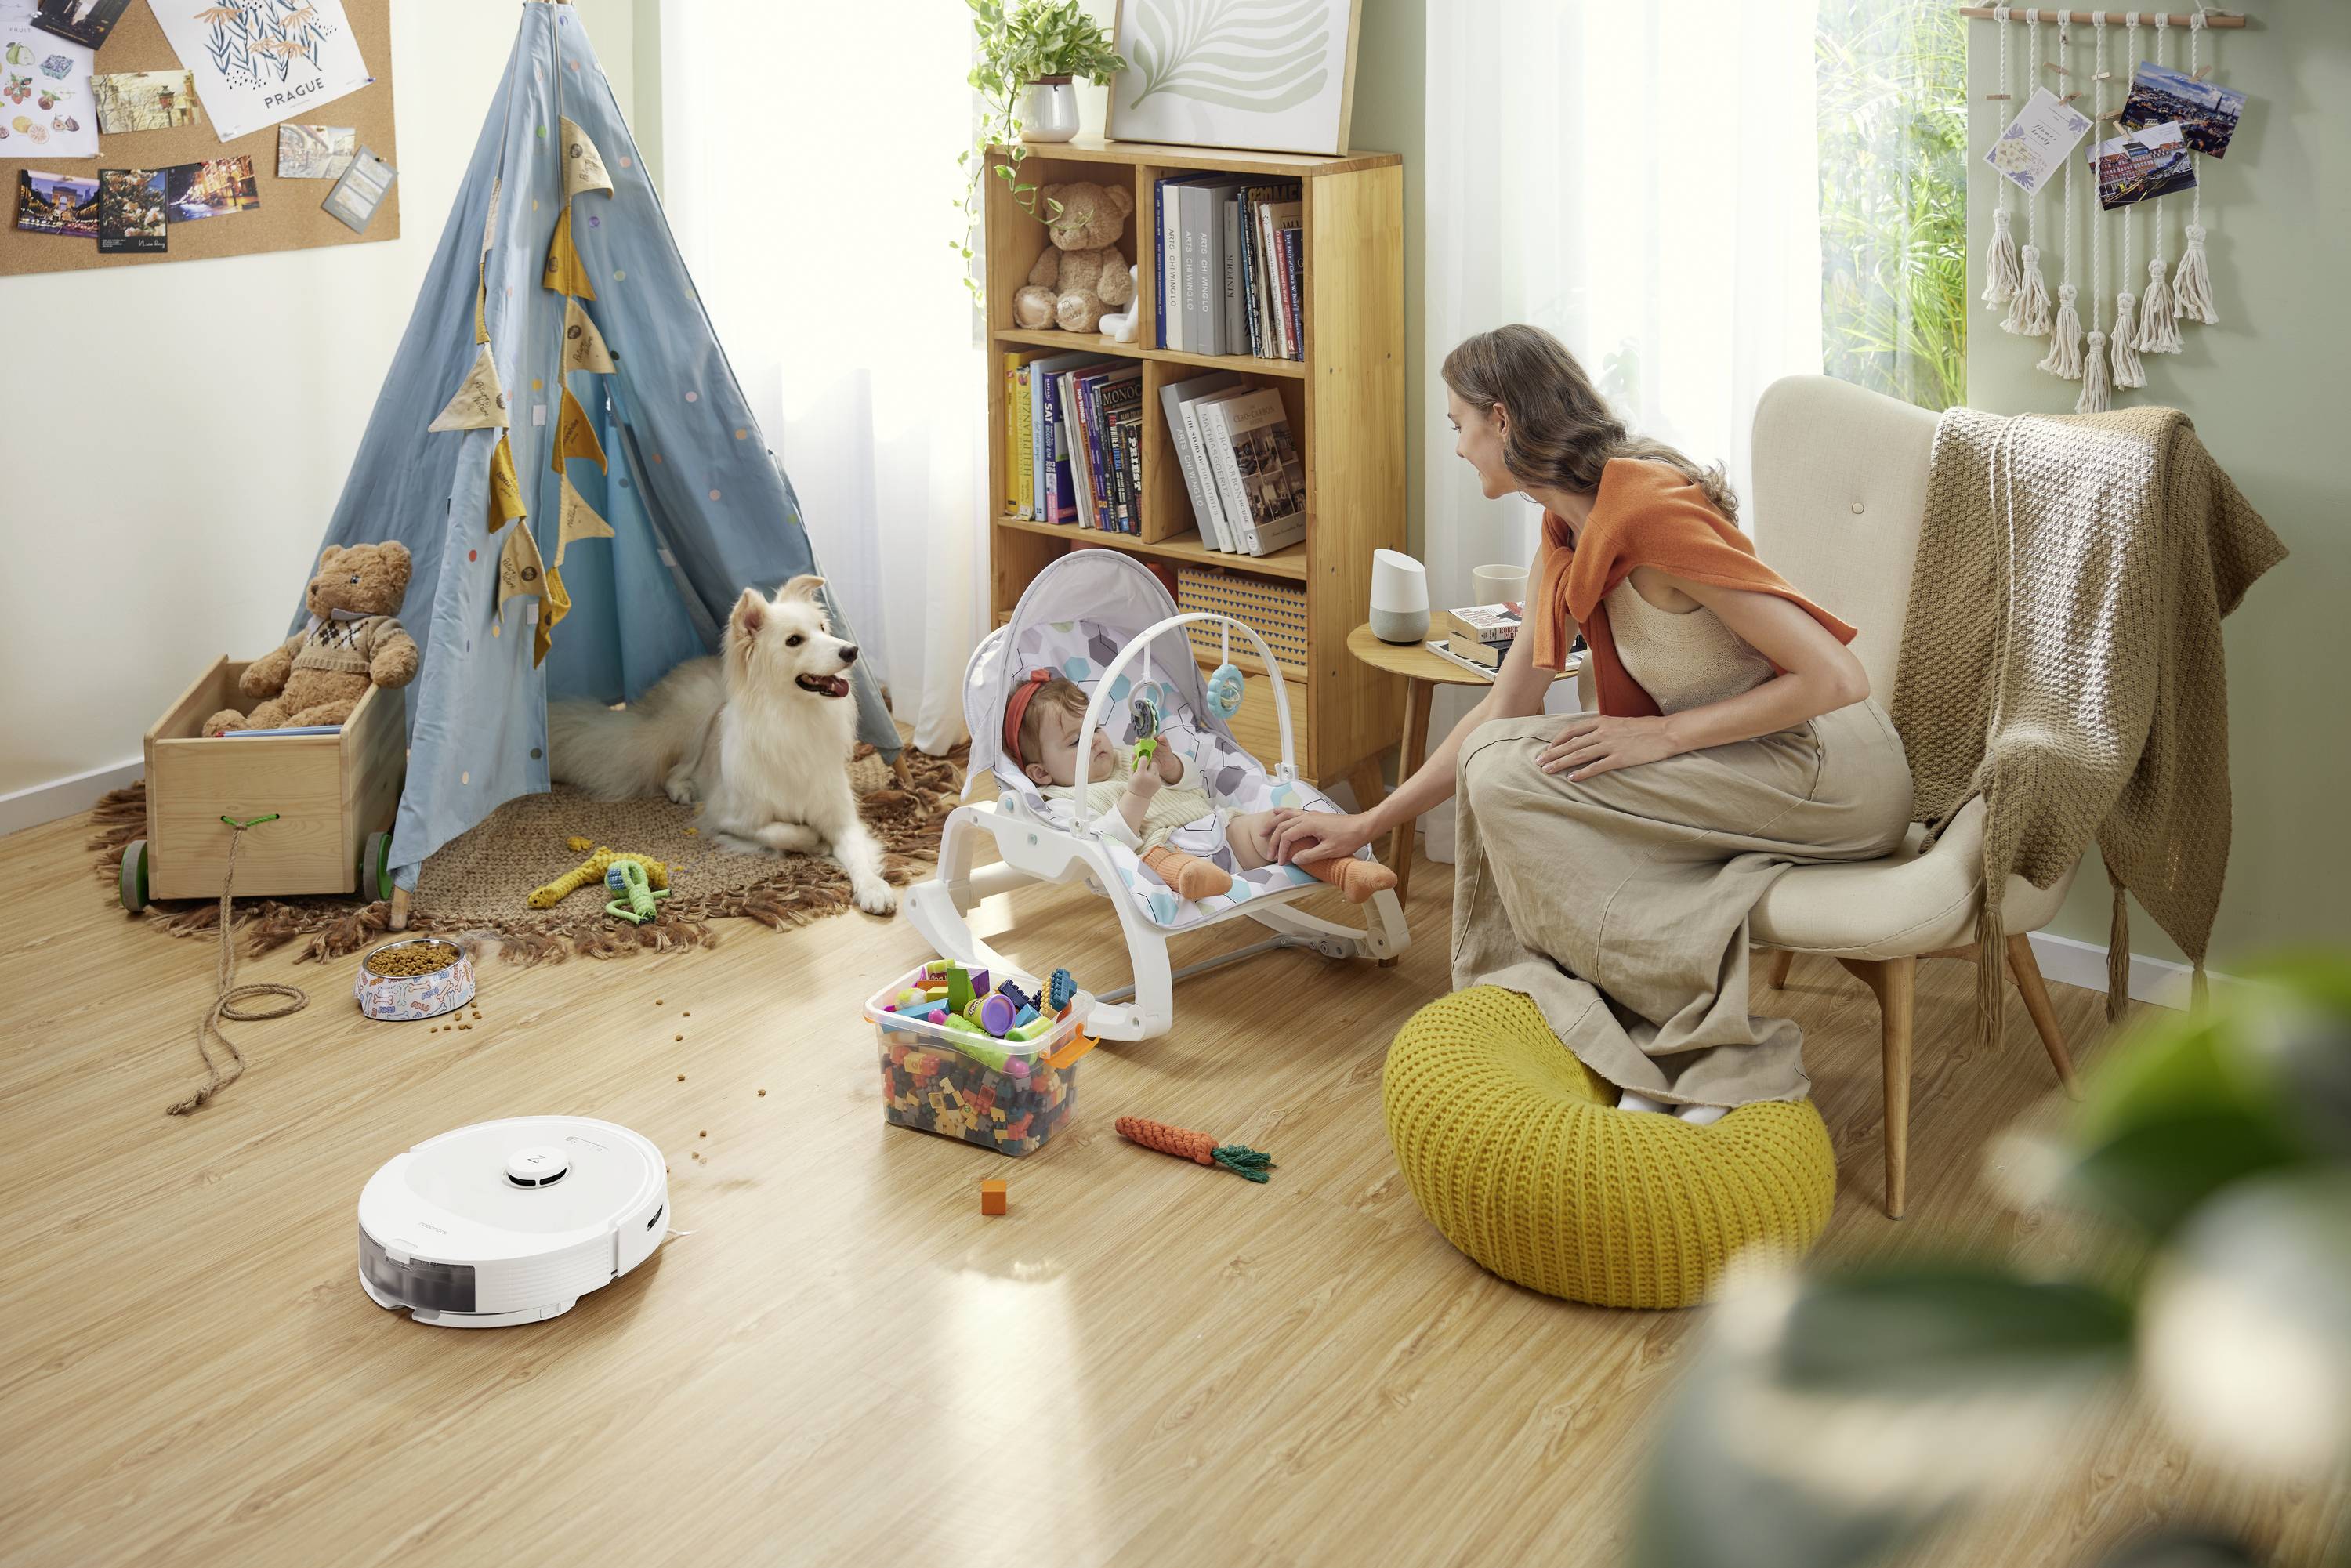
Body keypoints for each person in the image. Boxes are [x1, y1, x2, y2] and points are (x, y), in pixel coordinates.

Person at [1273, 324, 1912, 1121]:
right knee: (1498, 765)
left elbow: (1837, 677)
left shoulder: (1652, 516)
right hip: (1732, 769)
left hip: (1827, 771)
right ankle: (1614, 1021)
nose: (1459, 445)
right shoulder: (1565, 537)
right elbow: (1502, 713)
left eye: (1458, 425)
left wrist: (1661, 736)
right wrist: (1365, 822)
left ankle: (1699, 1046)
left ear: (1501, 419)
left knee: (1509, 769)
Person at [1006, 672, 1396, 904]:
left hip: (1219, 829)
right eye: (1076, 742)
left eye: (1096, 728)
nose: (1094, 741)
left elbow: (1197, 788)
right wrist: (1138, 796)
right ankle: (1195, 880)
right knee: (1155, 862)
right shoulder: (1061, 802)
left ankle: (1345, 871)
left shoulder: (1127, 755)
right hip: (1162, 851)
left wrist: (1173, 767)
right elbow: (1103, 846)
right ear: (1041, 774)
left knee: (1275, 827)